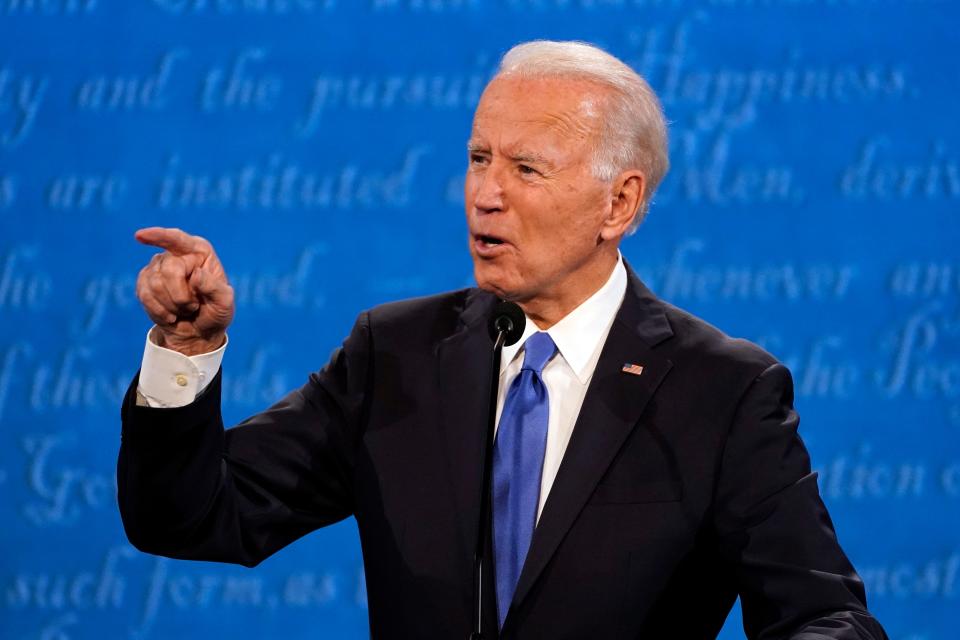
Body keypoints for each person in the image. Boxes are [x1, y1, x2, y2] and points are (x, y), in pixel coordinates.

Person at [118, 41, 888, 639]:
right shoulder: (396, 356)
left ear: (618, 204)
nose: (487, 195)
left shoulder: (722, 392)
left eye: (526, 168)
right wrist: (184, 352)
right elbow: (191, 517)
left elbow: (826, 616)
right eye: (479, 159)